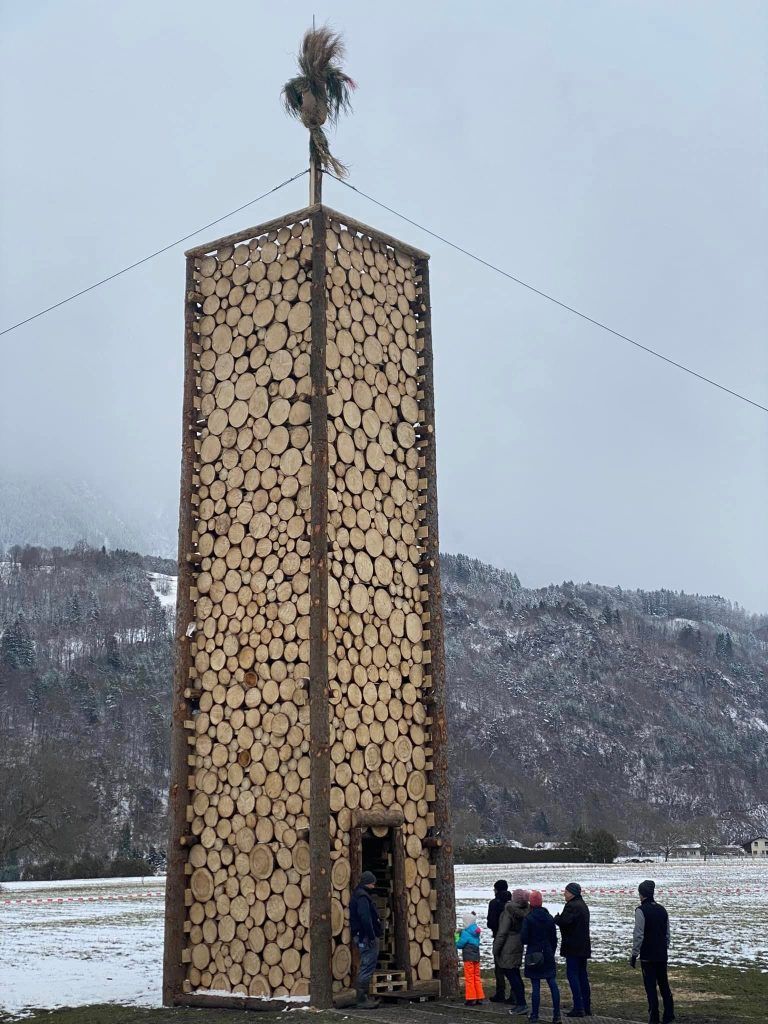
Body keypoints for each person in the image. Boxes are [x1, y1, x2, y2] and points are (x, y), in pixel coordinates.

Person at [630, 880, 675, 1024]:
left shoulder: (640, 910)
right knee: (664, 985)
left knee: (650, 988)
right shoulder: (662, 910)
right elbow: (667, 933)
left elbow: (639, 934)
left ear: (641, 894)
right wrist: (664, 947)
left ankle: (654, 1016)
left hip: (647, 956)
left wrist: (634, 954)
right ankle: (669, 1015)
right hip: (661, 955)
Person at [521, 890, 561, 1024]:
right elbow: (554, 938)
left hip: (534, 954)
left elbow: (524, 939)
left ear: (530, 903)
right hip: (547, 953)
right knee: (552, 983)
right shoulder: (549, 918)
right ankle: (557, 1015)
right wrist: (550, 951)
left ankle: (535, 1015)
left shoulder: (528, 919)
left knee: (536, 986)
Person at [554, 881, 592, 1018]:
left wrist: (557, 919)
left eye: (566, 891)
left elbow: (565, 922)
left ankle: (578, 1007)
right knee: (582, 976)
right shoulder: (582, 905)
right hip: (583, 946)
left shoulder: (572, 906)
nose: (564, 894)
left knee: (573, 976)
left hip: (573, 947)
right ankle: (586, 1006)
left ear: (572, 893)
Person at [493, 887, 530, 1014]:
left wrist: (496, 948)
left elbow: (502, 932)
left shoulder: (509, 910)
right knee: (516, 973)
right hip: (519, 943)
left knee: (511, 974)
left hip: (508, 945)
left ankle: (521, 1003)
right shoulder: (526, 910)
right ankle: (520, 1001)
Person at [350, 870, 382, 1008]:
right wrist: (371, 935)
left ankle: (364, 997)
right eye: (372, 884)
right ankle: (362, 999)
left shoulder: (358, 895)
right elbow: (365, 918)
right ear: (367, 883)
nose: (374, 886)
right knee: (367, 966)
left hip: (363, 936)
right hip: (366, 937)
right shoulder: (362, 897)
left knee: (366, 966)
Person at [488, 879, 513, 1002]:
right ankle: (514, 994)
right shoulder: (512, 903)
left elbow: (491, 922)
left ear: (496, 890)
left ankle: (500, 993)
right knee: (512, 967)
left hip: (498, 936)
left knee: (499, 967)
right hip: (512, 938)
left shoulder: (494, 903)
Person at [456, 910, 485, 1005]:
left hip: (468, 959)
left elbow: (459, 945)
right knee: (476, 977)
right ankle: (479, 997)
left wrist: (456, 935)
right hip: (476, 958)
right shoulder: (476, 932)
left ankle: (471, 998)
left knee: (469, 978)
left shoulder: (465, 933)